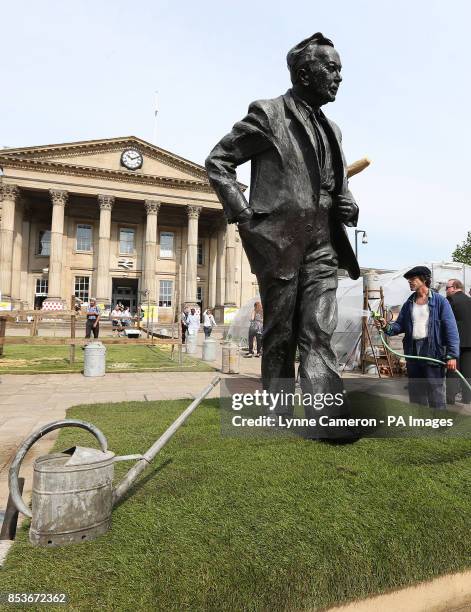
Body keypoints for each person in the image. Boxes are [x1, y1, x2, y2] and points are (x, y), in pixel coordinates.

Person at [206, 33, 359, 431]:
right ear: (305, 73)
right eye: (332, 68)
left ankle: (324, 416)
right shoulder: (269, 114)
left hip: (325, 241)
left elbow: (336, 182)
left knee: (318, 328)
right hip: (280, 241)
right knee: (279, 333)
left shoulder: (334, 130)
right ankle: (276, 413)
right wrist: (244, 216)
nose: (339, 77)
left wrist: (350, 203)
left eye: (340, 69)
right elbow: (219, 162)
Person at [376, 266, 459, 410]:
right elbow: (398, 326)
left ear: (424, 280)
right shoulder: (409, 303)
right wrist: (385, 326)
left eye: (413, 279)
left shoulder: (440, 302)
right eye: (409, 280)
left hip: (433, 352)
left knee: (435, 393)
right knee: (416, 393)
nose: (410, 282)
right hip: (412, 352)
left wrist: (452, 355)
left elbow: (451, 330)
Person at [446, 279, 471, 404]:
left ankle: (450, 398)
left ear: (454, 287)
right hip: (469, 341)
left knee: (452, 369)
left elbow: (446, 320)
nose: (446, 291)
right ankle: (467, 398)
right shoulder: (469, 299)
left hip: (456, 341)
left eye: (447, 288)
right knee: (468, 370)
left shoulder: (451, 300)